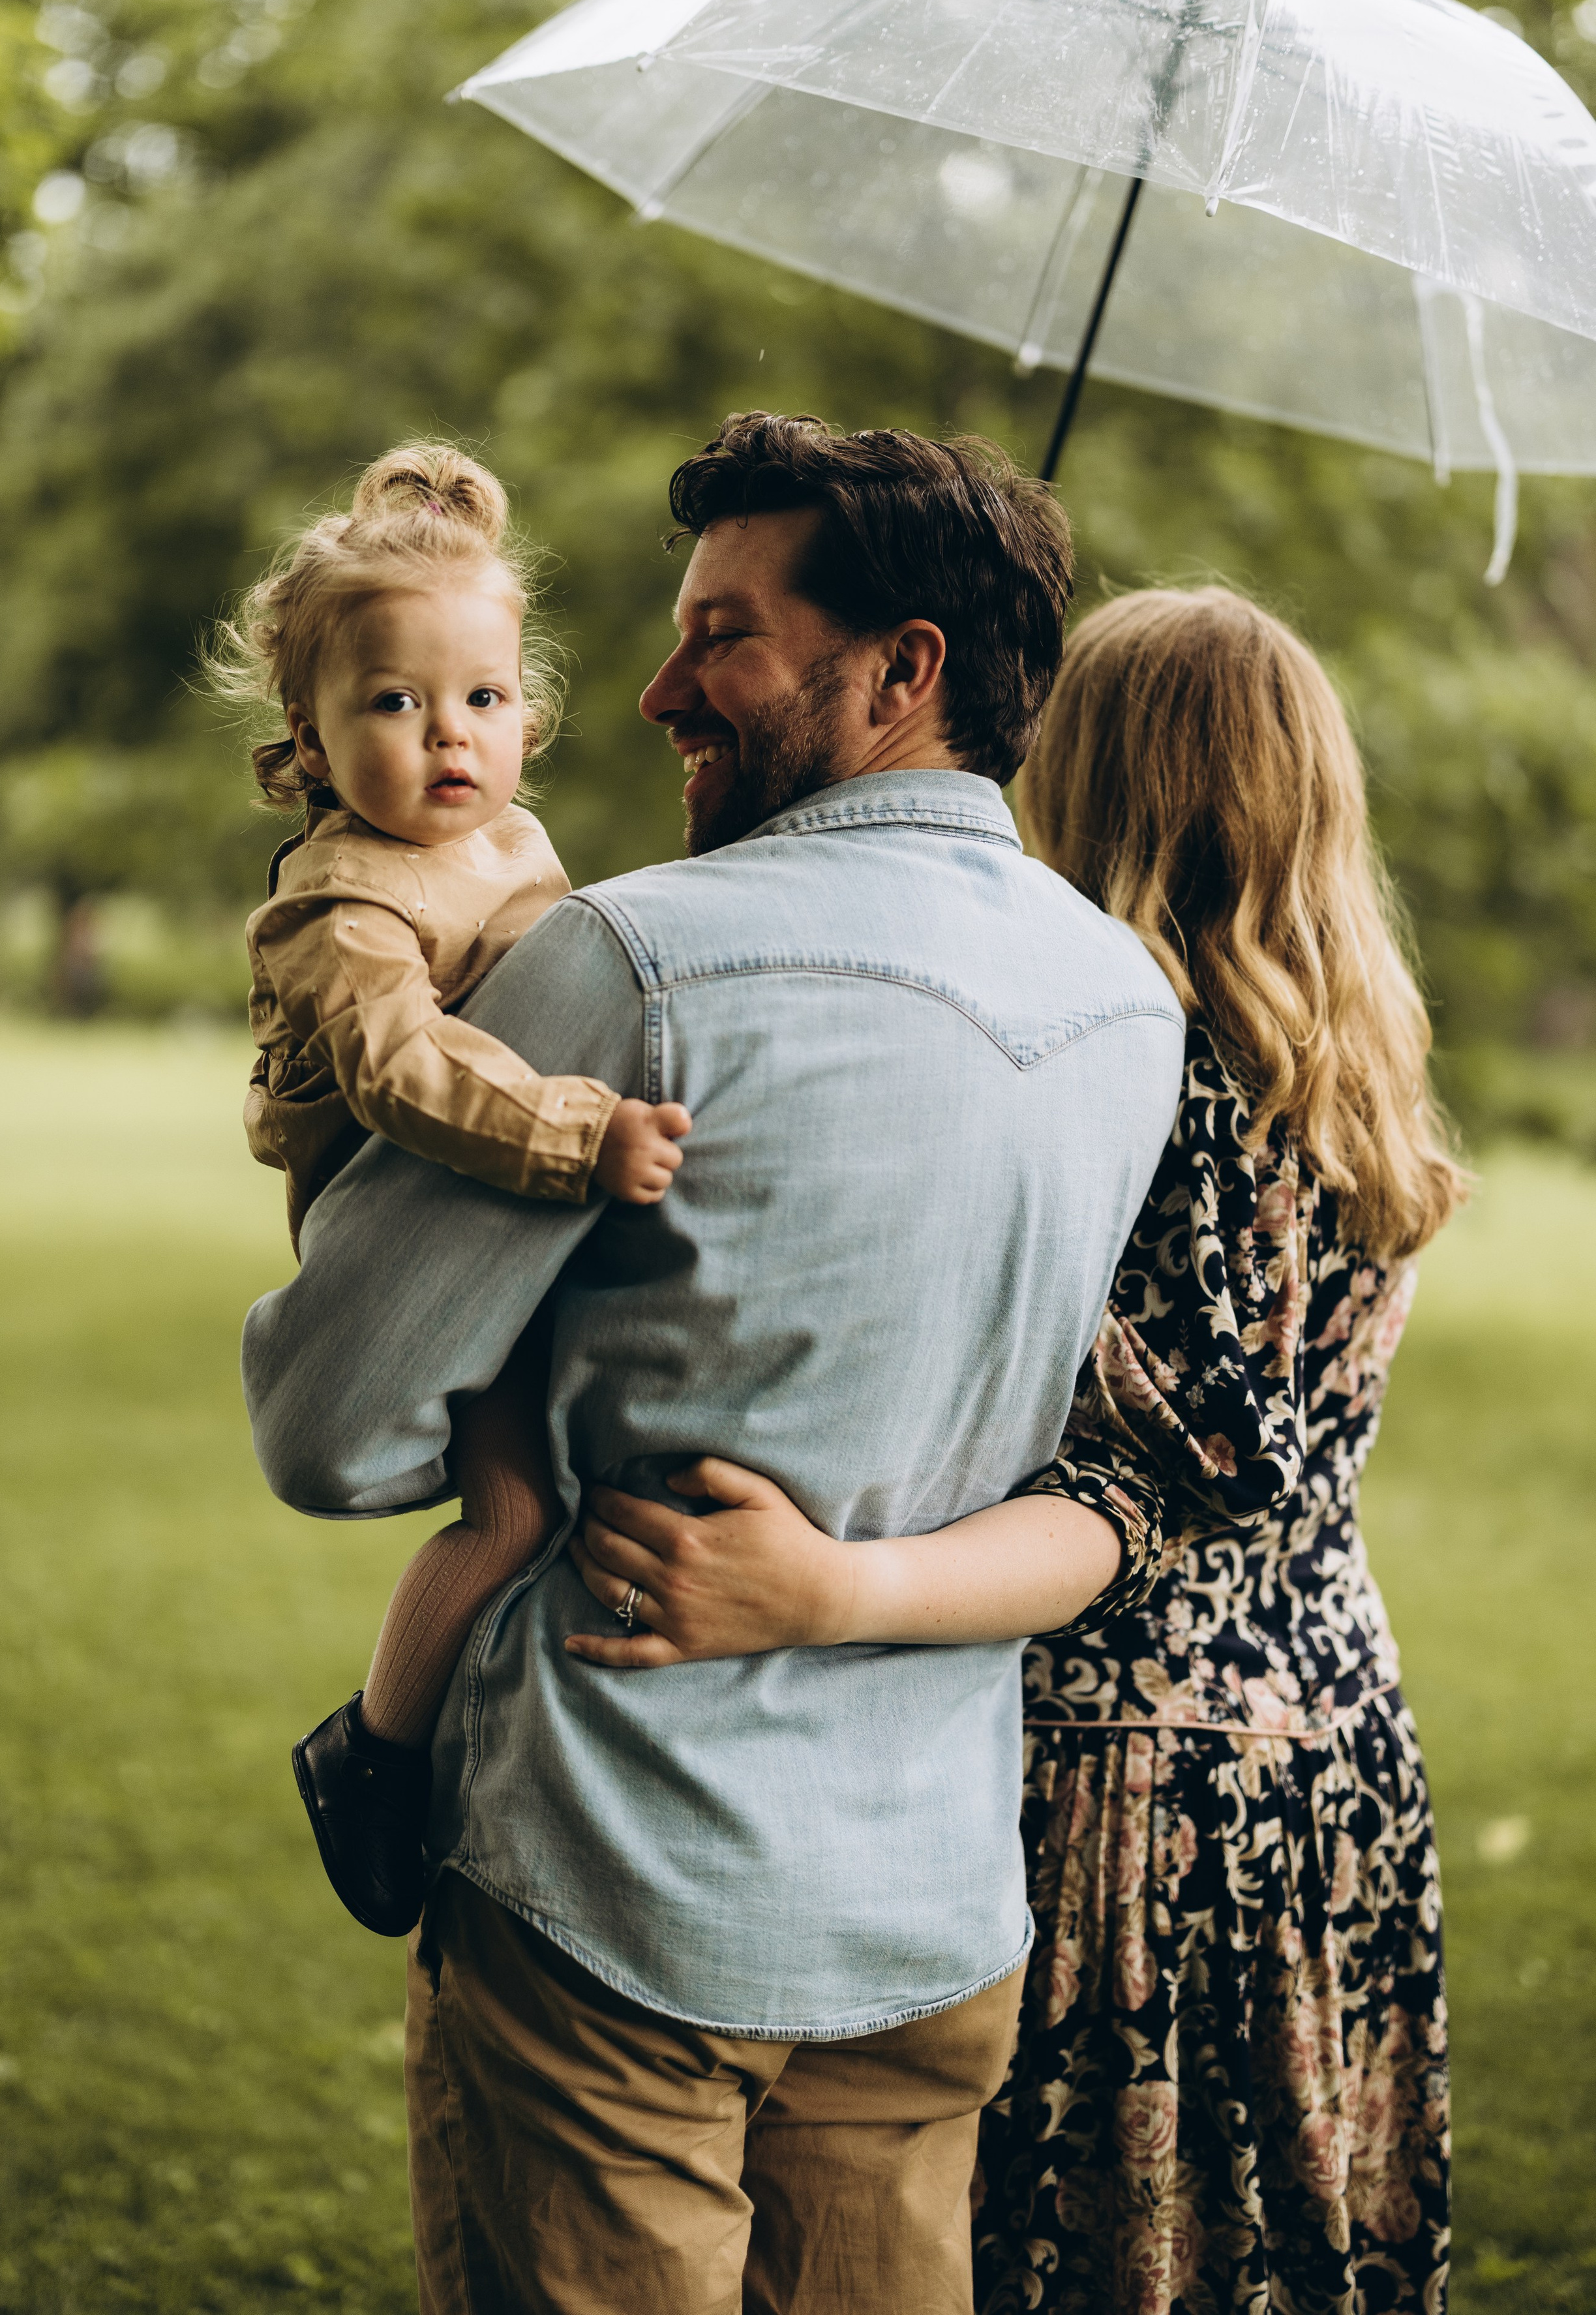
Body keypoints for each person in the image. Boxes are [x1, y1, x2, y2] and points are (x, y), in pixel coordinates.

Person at [240, 413, 1187, 2315]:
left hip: (612, 1889)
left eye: (723, 637)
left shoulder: (629, 959)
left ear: (903, 670)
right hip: (925, 1906)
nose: (657, 690)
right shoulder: (1127, 999)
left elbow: (331, 1429)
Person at [574, 585, 1463, 2315]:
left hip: (1109, 1775)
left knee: (1074, 2250)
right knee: (1266, 2241)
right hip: (1335, 1747)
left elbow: (1127, 1477)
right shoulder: (1356, 1072)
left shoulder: (1119, 1068)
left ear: (1089, 779)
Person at [210, 441, 689, 1939]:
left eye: (481, 698)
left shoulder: (513, 843)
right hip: (420, 1223)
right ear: (310, 734)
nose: (447, 738)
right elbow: (402, 1070)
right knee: (510, 1509)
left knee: (592, 1475)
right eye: (393, 705)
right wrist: (579, 1135)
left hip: (517, 1214)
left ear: (528, 711)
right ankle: (374, 1749)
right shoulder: (341, 900)